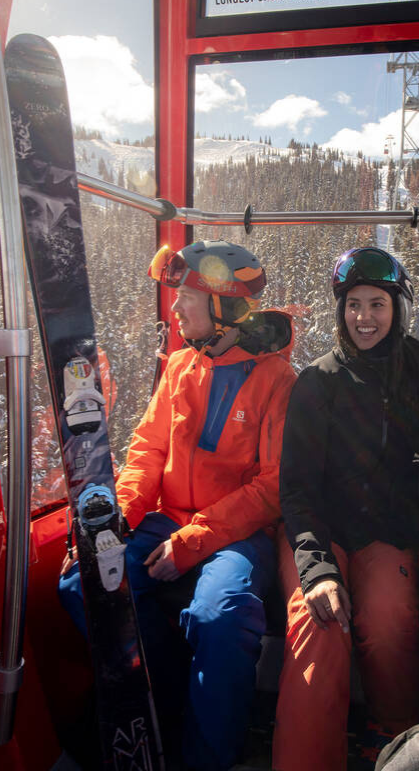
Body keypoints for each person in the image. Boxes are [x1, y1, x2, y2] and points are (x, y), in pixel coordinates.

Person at [118, 239, 296, 771]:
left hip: (238, 534)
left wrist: (194, 543)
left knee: (221, 616)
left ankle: (208, 757)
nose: (174, 310)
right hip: (167, 519)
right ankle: (161, 710)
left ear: (221, 306)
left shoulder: (275, 379)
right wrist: (119, 518)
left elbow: (273, 486)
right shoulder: (179, 366)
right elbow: (147, 450)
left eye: (185, 300)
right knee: (87, 585)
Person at [272, 247, 419, 771]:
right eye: (353, 305)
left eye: (377, 305)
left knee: (391, 619)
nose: (363, 318)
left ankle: (395, 739)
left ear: (398, 310)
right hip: (316, 530)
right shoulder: (318, 384)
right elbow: (296, 489)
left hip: (385, 531)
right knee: (318, 620)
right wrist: (318, 569)